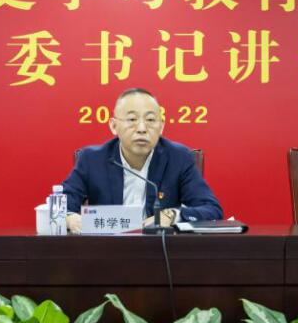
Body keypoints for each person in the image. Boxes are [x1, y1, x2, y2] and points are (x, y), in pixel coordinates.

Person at [62, 88, 222, 233]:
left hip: (159, 250)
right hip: (105, 249)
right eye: (132, 119)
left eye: (150, 120)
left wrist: (170, 215)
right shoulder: (91, 160)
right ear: (114, 126)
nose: (142, 129)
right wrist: (69, 218)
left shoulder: (179, 158)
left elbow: (212, 210)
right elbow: (60, 207)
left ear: (161, 126)